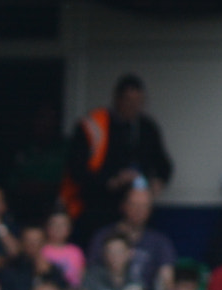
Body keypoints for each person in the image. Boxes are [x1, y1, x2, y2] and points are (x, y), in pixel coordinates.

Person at [61, 74, 171, 233]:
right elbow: (76, 170)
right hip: (97, 206)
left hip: (135, 207)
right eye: (129, 100)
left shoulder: (147, 127)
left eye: (139, 101)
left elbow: (164, 164)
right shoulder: (94, 124)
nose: (134, 106)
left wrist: (158, 180)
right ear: (117, 99)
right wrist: (112, 180)